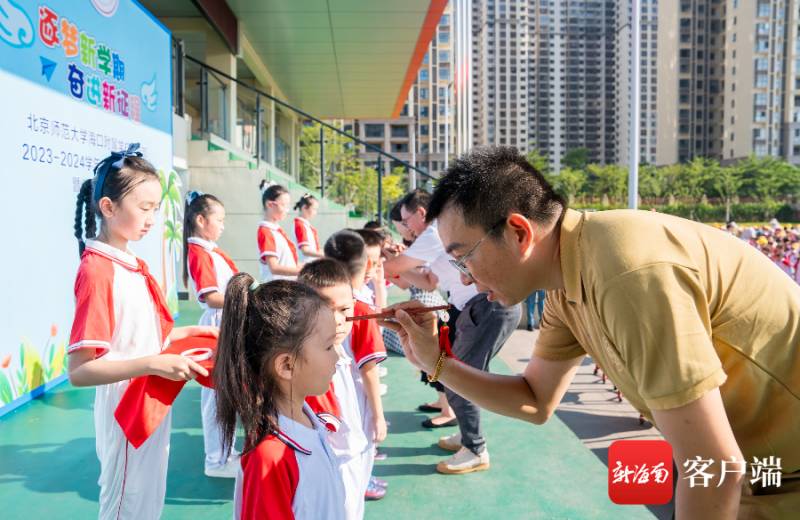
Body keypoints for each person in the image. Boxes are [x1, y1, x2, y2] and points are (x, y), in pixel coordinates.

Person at [384, 145, 800, 519]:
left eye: (463, 259)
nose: (467, 280)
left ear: (518, 233)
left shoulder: (625, 273)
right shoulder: (566, 280)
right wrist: (434, 361)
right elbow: (535, 400)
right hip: (754, 475)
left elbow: (714, 467)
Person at [68, 144, 215, 519]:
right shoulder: (99, 269)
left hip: (149, 398)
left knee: (147, 500)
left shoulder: (131, 262)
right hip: (126, 408)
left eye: (156, 208)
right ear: (108, 207)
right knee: (125, 506)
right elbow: (80, 371)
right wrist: (153, 362)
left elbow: (144, 336)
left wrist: (191, 335)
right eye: (144, 208)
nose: (152, 218)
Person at [383, 189, 521, 475]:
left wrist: (378, 259)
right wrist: (400, 263)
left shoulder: (434, 232)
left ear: (421, 213)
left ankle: (475, 449)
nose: (406, 227)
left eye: (406, 220)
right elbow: (428, 281)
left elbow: (394, 268)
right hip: (475, 308)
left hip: (485, 306)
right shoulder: (434, 239)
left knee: (458, 378)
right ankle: (467, 437)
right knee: (456, 376)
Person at [215, 277, 345, 520]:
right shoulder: (270, 457)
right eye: (329, 347)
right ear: (286, 365)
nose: (337, 356)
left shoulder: (307, 418)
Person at [300, 258, 386, 516]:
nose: (338, 320)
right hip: (326, 460)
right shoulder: (299, 365)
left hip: (348, 452)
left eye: (345, 309)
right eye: (326, 309)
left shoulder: (337, 354)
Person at [324, 231, 388, 500]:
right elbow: (368, 369)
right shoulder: (358, 307)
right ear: (368, 265)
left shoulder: (318, 299)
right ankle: (359, 485)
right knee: (358, 447)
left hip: (322, 389)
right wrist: (378, 415)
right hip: (353, 394)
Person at [183, 190, 240, 478]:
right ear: (201, 220)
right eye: (219, 219)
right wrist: (244, 299)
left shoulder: (210, 250)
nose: (222, 225)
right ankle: (217, 460)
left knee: (225, 394)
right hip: (219, 326)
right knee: (216, 396)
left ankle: (225, 451)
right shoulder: (200, 252)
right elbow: (210, 296)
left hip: (227, 323)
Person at [257, 181, 300, 281]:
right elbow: (274, 268)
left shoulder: (275, 231)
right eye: (284, 205)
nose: (287, 210)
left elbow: (288, 262)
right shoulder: (266, 231)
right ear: (270, 205)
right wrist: (303, 271)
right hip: (276, 292)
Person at [294, 193, 324, 261]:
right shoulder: (300, 225)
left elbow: (315, 249)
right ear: (304, 208)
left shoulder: (305, 225)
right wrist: (325, 255)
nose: (315, 212)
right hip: (306, 267)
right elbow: (305, 251)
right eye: (314, 209)